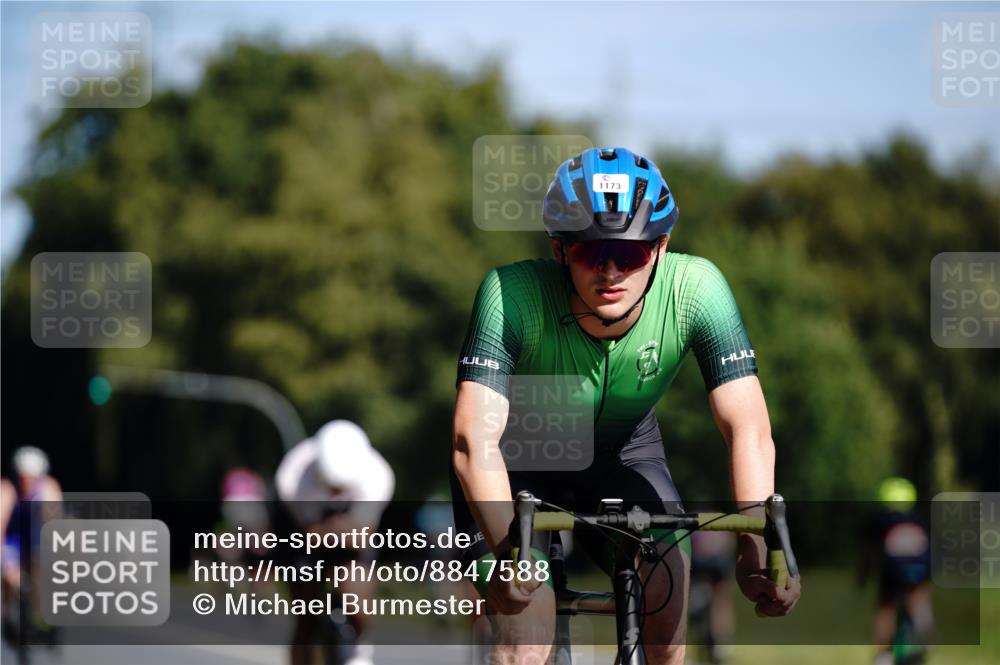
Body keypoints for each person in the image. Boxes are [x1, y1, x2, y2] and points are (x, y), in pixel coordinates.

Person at [450, 147, 800, 665]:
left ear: (661, 248)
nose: (610, 272)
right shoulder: (511, 294)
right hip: (517, 461)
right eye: (592, 253)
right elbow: (472, 441)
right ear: (560, 250)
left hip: (625, 453)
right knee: (527, 634)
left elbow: (747, 427)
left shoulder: (697, 290)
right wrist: (510, 555)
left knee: (669, 608)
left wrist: (756, 548)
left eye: (630, 254)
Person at [274, 420, 394, 665]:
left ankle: (359, 647)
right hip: (302, 535)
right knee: (305, 615)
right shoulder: (291, 477)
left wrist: (337, 531)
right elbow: (308, 534)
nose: (335, 495)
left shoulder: (378, 477)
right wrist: (335, 530)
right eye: (331, 488)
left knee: (358, 598)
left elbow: (361, 538)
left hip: (349, 537)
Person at [860, 477, 933, 665]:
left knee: (887, 607)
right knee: (918, 594)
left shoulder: (880, 520)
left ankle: (883, 655)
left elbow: (870, 552)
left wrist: (863, 577)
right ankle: (923, 621)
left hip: (893, 571)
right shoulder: (919, 520)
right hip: (920, 568)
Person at [1, 446, 63, 642]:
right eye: (22, 477)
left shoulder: (49, 487)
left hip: (36, 537)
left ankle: (42, 615)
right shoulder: (7, 489)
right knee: (10, 579)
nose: (26, 482)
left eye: (31, 478)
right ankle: (6, 615)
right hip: (13, 539)